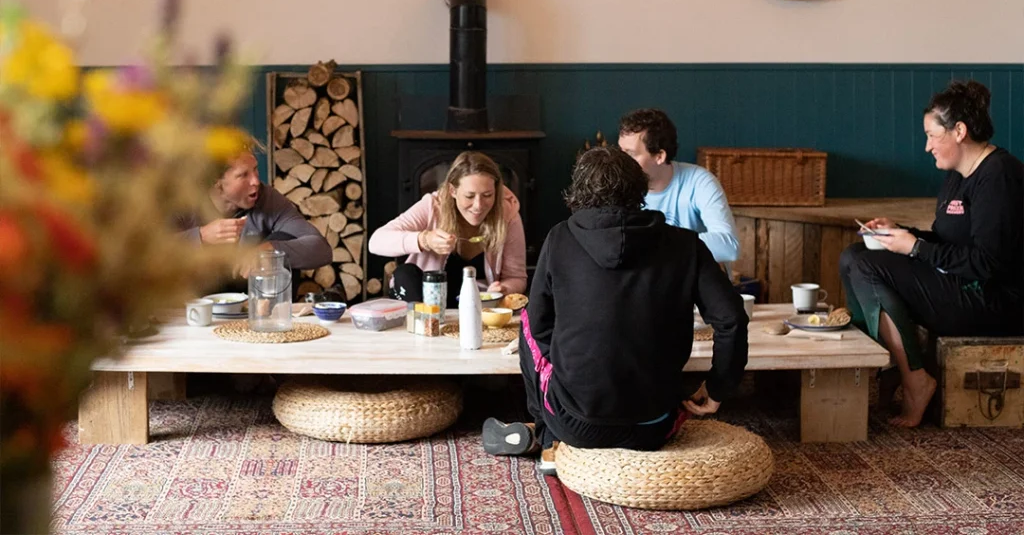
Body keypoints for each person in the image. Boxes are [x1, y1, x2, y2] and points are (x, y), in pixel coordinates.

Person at [482, 147, 748, 474]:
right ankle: (550, 432)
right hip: (655, 426)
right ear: (640, 188)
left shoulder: (559, 238)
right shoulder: (686, 244)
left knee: (526, 319)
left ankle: (548, 436)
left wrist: (572, 365)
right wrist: (719, 386)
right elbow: (732, 319)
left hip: (574, 423)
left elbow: (538, 326)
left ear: (577, 191)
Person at [841, 80, 1023, 428]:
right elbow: (945, 242)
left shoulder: (1000, 176)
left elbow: (988, 263)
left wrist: (915, 247)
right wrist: (901, 234)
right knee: (853, 255)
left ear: (959, 131)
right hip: (959, 286)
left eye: (931, 135)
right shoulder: (957, 175)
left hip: (995, 302)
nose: (926, 147)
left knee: (865, 264)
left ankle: (914, 380)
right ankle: (898, 366)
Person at [368, 151, 527, 310]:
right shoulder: (433, 206)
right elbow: (376, 242)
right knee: (404, 273)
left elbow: (516, 277)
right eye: (469, 196)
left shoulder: (508, 215)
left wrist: (504, 289)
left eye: (487, 195)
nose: (478, 205)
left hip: (478, 306)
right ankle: (424, 322)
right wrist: (424, 240)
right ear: (453, 191)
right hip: (426, 301)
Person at [177, 142, 332, 283]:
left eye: (255, 169)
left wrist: (268, 249)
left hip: (250, 295)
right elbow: (154, 257)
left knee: (282, 242)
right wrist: (201, 236)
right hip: (194, 298)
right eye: (243, 175)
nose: (256, 181)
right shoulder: (184, 201)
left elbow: (321, 250)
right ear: (216, 181)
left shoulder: (266, 198)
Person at [618, 108, 740, 263]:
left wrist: (653, 246)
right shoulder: (619, 186)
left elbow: (729, 247)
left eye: (630, 154)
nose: (621, 161)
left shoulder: (699, 181)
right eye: (620, 151)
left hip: (692, 283)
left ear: (660, 156)